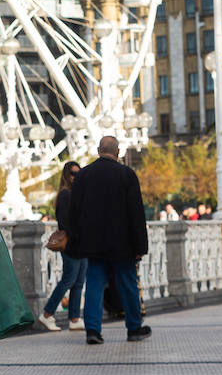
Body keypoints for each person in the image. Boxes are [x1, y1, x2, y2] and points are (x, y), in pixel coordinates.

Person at [66, 136, 150, 346]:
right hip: (122, 244)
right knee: (128, 284)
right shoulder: (126, 175)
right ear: (118, 152)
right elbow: (136, 213)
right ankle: (134, 327)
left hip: (93, 244)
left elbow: (73, 214)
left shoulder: (83, 176)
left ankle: (93, 330)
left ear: (98, 150)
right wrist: (140, 246)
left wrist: (75, 243)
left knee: (94, 285)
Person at [40, 161, 86, 331]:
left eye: (78, 174)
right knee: (68, 280)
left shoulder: (76, 194)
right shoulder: (65, 194)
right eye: (73, 173)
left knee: (79, 282)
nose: (76, 177)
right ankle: (47, 314)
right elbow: (65, 223)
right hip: (72, 245)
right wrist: (76, 240)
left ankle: (74, 319)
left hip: (81, 244)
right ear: (66, 175)